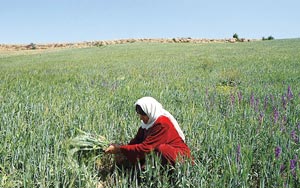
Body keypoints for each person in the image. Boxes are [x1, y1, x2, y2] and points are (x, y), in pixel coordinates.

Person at [105, 96, 192, 170]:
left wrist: (120, 149)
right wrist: (123, 152)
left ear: (150, 112)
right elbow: (137, 141)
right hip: (160, 155)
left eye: (143, 115)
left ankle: (169, 174)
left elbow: (145, 148)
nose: (141, 118)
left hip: (180, 157)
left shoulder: (162, 123)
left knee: (162, 149)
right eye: (139, 115)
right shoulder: (147, 124)